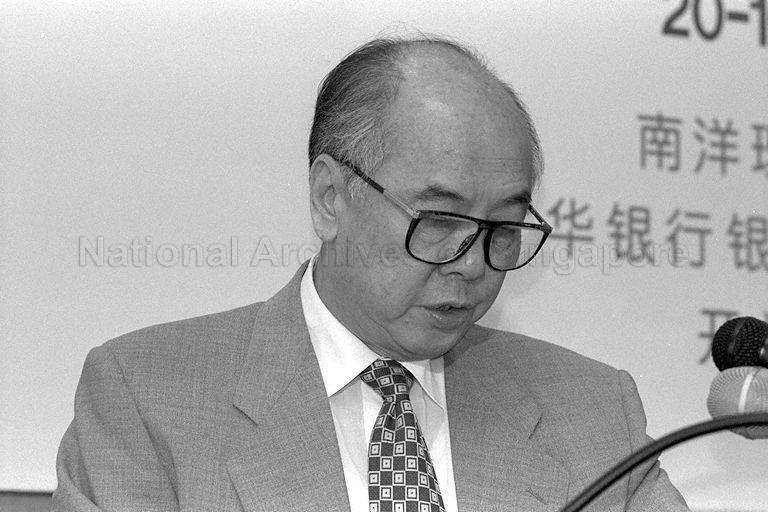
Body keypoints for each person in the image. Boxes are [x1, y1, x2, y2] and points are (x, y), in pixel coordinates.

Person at [52, 36, 689, 512]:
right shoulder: (145, 397)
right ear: (332, 197)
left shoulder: (593, 411)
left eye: (504, 227)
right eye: (440, 219)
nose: (472, 264)